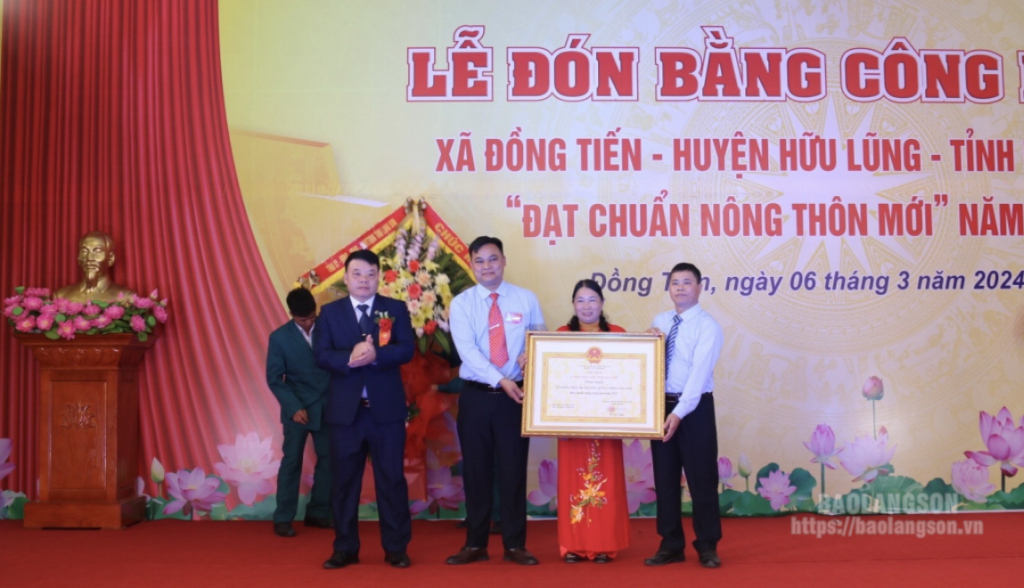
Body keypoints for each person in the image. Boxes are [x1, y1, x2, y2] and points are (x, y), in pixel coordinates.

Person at [445, 236, 546, 566]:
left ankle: (515, 544)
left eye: (493, 259)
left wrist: (532, 355)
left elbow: (540, 339)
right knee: (476, 472)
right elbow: (467, 352)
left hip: (515, 399)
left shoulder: (526, 299)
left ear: (504, 261)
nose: (487, 266)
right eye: (480, 260)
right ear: (471, 264)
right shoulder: (462, 303)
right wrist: (500, 379)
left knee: (514, 471)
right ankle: (475, 544)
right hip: (476, 397)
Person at [314, 249, 415, 569]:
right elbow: (320, 354)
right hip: (346, 414)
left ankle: (396, 547)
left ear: (378, 278)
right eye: (357, 274)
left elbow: (407, 349)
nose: (363, 280)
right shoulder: (330, 313)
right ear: (345, 278)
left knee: (392, 480)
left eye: (370, 274)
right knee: (344, 483)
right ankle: (345, 547)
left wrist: (376, 356)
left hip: (386, 413)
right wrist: (351, 356)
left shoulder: (394, 308)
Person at [645, 263, 723, 568]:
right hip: (660, 407)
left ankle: (707, 546)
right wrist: (645, 340)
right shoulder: (660, 321)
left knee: (701, 478)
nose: (680, 288)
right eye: (675, 282)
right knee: (665, 479)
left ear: (699, 288)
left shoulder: (708, 326)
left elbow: (698, 377)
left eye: (687, 282)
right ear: (669, 288)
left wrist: (678, 414)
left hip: (694, 408)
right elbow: (648, 362)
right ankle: (671, 545)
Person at [553, 279, 630, 563]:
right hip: (571, 426)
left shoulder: (618, 335)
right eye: (580, 300)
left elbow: (630, 377)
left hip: (608, 424)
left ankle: (604, 546)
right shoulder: (560, 336)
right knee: (573, 483)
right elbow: (553, 380)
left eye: (592, 300)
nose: (586, 306)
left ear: (602, 303)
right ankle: (572, 546)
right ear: (573, 305)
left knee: (606, 483)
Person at [265, 287, 333, 537]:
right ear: (291, 314)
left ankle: (318, 512)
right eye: (303, 319)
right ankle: (283, 517)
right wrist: (293, 407)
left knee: (329, 460)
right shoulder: (279, 338)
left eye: (312, 317)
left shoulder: (328, 328)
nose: (308, 323)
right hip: (297, 410)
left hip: (326, 406)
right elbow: (274, 379)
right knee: (291, 462)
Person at [54, 231, 135, 302]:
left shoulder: (126, 297)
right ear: (78, 257)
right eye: (84, 251)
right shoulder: (61, 296)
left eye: (97, 251)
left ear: (111, 258)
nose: (89, 258)